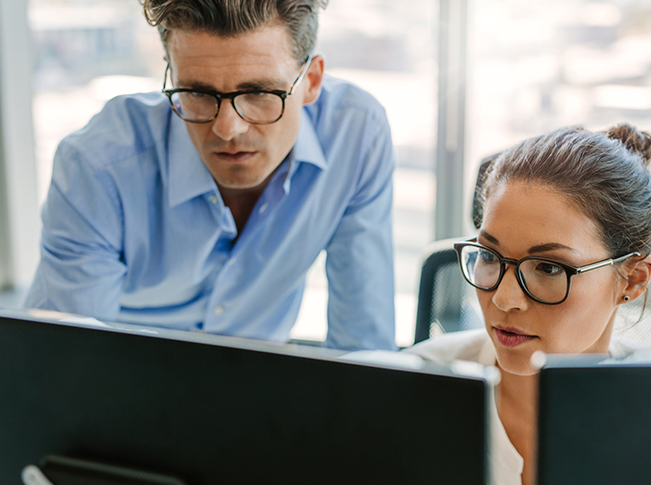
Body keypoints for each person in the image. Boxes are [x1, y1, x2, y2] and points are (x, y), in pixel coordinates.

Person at [23, 0, 397, 351]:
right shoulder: (98, 167)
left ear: (311, 81)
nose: (227, 129)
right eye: (198, 92)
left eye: (259, 92)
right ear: (170, 72)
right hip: (122, 395)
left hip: (264, 400)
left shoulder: (355, 135)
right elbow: (67, 366)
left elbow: (362, 346)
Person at [404, 124, 651, 485]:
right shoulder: (405, 390)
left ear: (633, 279)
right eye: (490, 256)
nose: (503, 299)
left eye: (548, 267)